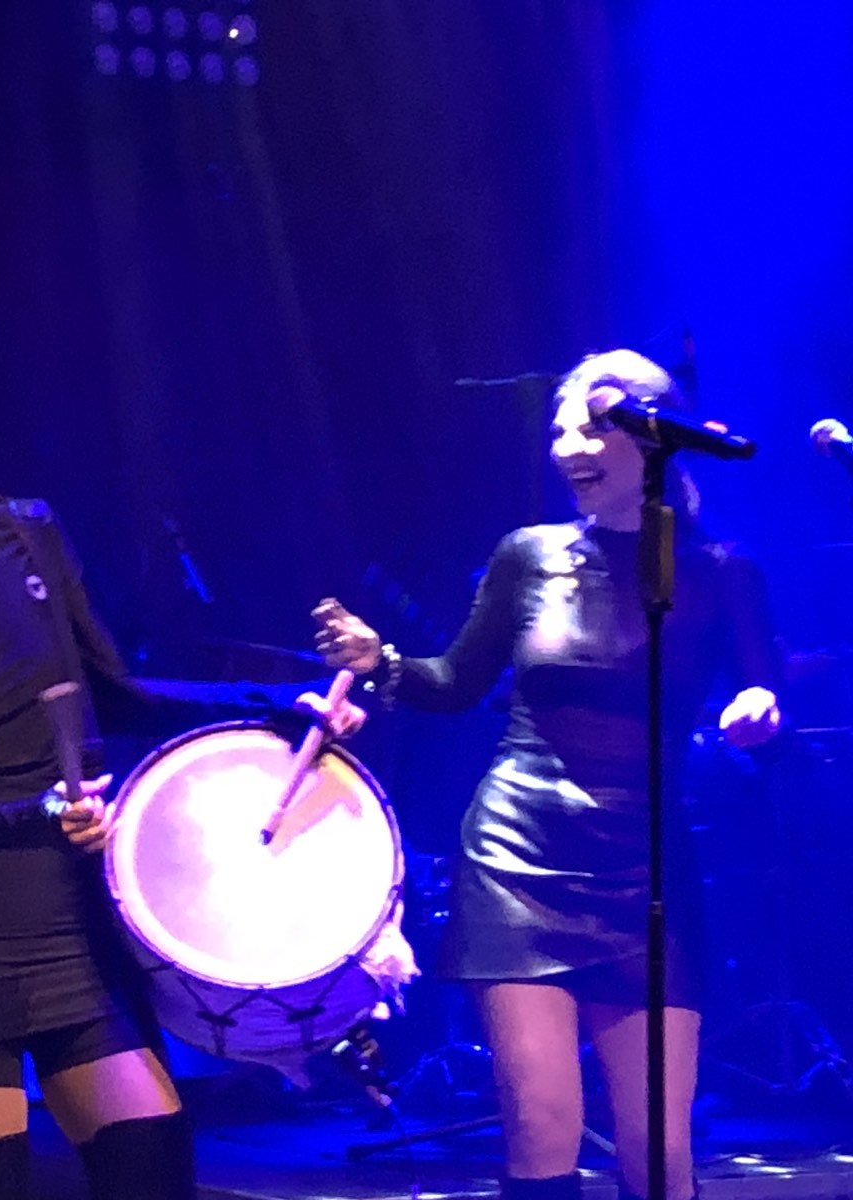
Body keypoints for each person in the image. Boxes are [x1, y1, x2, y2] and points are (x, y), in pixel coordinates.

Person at [0, 329, 361, 1200]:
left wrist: (282, 704)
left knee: (152, 1169)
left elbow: (115, 693)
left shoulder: (25, 530)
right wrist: (37, 816)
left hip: (70, 927)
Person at [313, 349, 781, 1200]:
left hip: (648, 868)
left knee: (659, 1149)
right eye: (561, 430)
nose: (570, 446)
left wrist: (760, 708)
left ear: (656, 437)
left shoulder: (721, 569)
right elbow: (455, 684)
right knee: (540, 1126)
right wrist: (381, 662)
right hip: (518, 858)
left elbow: (765, 686)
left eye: (595, 427)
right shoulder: (528, 556)